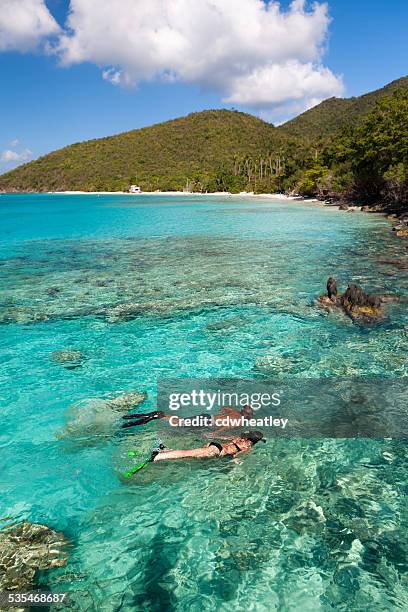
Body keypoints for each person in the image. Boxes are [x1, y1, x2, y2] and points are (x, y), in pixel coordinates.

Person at [150, 430, 265, 462]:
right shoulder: (247, 448)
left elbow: (223, 438)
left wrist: (209, 436)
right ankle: (157, 457)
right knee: (186, 454)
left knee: (190, 453)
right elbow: (236, 456)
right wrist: (235, 464)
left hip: (215, 445)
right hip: (217, 451)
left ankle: (164, 450)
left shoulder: (239, 437)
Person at [121, 404, 254, 431]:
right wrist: (214, 433)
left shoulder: (233, 410)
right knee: (178, 423)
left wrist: (220, 415)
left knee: (181, 422)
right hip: (206, 421)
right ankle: (156, 415)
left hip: (207, 416)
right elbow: (225, 427)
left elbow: (223, 407)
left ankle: (128, 418)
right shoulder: (239, 421)